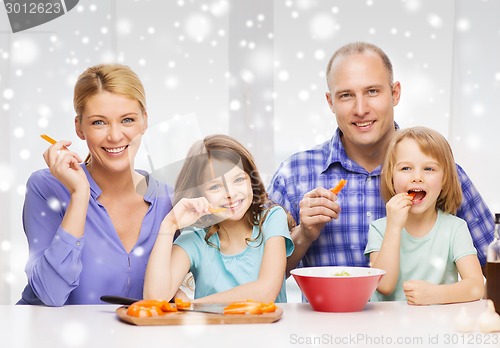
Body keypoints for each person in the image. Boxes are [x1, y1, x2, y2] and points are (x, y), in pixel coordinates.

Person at [267, 41, 494, 277]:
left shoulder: (440, 174)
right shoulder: (294, 174)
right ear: (330, 102)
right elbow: (257, 278)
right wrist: (303, 235)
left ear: (395, 93)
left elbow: (493, 262)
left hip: (423, 314)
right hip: (330, 315)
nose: (361, 109)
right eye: (346, 95)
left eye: (372, 91)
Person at [18, 64, 173, 306]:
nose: (114, 136)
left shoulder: (170, 200)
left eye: (128, 120)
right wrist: (80, 194)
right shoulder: (46, 187)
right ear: (79, 127)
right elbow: (51, 294)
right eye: (99, 123)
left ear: (145, 121)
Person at [144, 134, 294, 303]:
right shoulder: (195, 240)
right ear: (199, 194)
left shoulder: (272, 219)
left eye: (238, 179)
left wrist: (192, 305)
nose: (230, 194)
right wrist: (169, 225)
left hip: (267, 329)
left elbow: (266, 292)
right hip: (214, 330)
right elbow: (155, 298)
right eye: (215, 186)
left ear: (251, 181)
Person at [364, 127, 484, 304]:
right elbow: (384, 286)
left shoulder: (455, 228)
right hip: (386, 325)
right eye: (406, 168)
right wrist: (394, 227)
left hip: (436, 325)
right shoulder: (380, 228)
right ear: (391, 178)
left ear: (444, 179)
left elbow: (476, 286)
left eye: (429, 168)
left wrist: (437, 294)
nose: (417, 177)